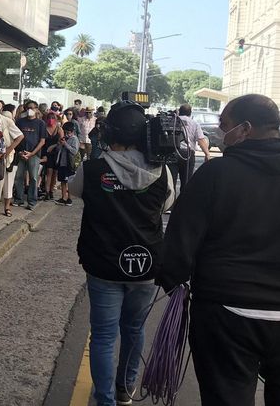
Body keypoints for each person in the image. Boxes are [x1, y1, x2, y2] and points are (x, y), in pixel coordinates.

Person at [156, 94, 280, 406]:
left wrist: (172, 279)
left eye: (224, 125)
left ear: (245, 129)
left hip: (226, 315)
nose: (219, 131)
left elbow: (180, 241)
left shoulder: (216, 174)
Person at [69, 101, 174, 406]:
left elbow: (75, 191)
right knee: (134, 328)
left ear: (108, 131)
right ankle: (125, 388)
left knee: (102, 335)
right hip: (146, 264)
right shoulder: (163, 172)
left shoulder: (92, 168)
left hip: (103, 264)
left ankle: (105, 400)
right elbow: (166, 206)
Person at [13, 101, 47, 210]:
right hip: (21, 153)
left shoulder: (41, 123)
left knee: (33, 177)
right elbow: (15, 138)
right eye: (28, 108)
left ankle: (32, 201)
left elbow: (42, 141)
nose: (30, 110)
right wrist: (19, 151)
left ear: (37, 109)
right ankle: (19, 199)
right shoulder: (19, 122)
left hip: (34, 154)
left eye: (32, 108)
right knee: (18, 177)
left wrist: (32, 153)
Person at [171, 103, 210, 192]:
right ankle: (183, 203)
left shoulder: (173, 121)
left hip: (173, 153)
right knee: (186, 182)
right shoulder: (195, 123)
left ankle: (170, 204)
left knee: (171, 182)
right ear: (190, 113)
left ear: (179, 112)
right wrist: (207, 154)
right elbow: (201, 140)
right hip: (188, 155)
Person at [0, 104, 24, 217]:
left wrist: (9, 150)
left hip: (10, 157)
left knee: (9, 183)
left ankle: (7, 207)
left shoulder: (9, 123)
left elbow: (19, 137)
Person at [54, 121, 79, 206]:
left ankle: (69, 198)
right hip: (62, 163)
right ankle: (63, 197)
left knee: (69, 181)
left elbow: (74, 151)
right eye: (66, 132)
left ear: (72, 131)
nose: (67, 134)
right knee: (63, 181)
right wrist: (60, 144)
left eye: (69, 132)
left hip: (69, 164)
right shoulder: (64, 138)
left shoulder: (74, 139)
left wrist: (66, 144)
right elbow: (58, 150)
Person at [42, 112, 62, 201]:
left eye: (53, 118)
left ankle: (51, 190)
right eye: (49, 118)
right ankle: (47, 192)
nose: (51, 119)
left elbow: (62, 141)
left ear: (56, 119)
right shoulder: (44, 128)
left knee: (55, 173)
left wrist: (54, 146)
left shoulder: (59, 129)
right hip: (47, 153)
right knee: (49, 172)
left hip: (56, 153)